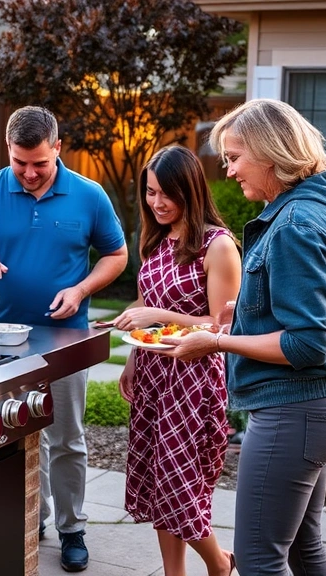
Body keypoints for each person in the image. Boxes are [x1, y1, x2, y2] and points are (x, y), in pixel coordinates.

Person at [158, 98, 326, 576]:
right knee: (303, 548)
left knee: (257, 559)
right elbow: (316, 312)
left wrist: (216, 342)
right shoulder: (323, 207)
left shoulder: (296, 224)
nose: (229, 171)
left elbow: (307, 342)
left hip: (296, 409)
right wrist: (248, 313)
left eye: (234, 158)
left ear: (270, 153)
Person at [0, 105, 128, 572]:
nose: (29, 173)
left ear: (58, 148)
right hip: (1, 342)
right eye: (20, 163)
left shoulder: (89, 195)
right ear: (8, 150)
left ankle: (72, 529)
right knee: (13, 435)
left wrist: (81, 289)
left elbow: (117, 255)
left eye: (39, 163)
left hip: (64, 339)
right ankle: (30, 519)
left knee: (66, 438)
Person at [111, 146, 241, 576]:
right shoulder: (154, 241)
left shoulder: (217, 246)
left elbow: (223, 327)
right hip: (154, 376)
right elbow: (148, 315)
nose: (158, 203)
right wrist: (133, 358)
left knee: (180, 484)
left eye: (168, 193)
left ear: (191, 190)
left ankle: (219, 564)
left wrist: (160, 317)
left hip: (194, 379)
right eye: (150, 192)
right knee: (157, 483)